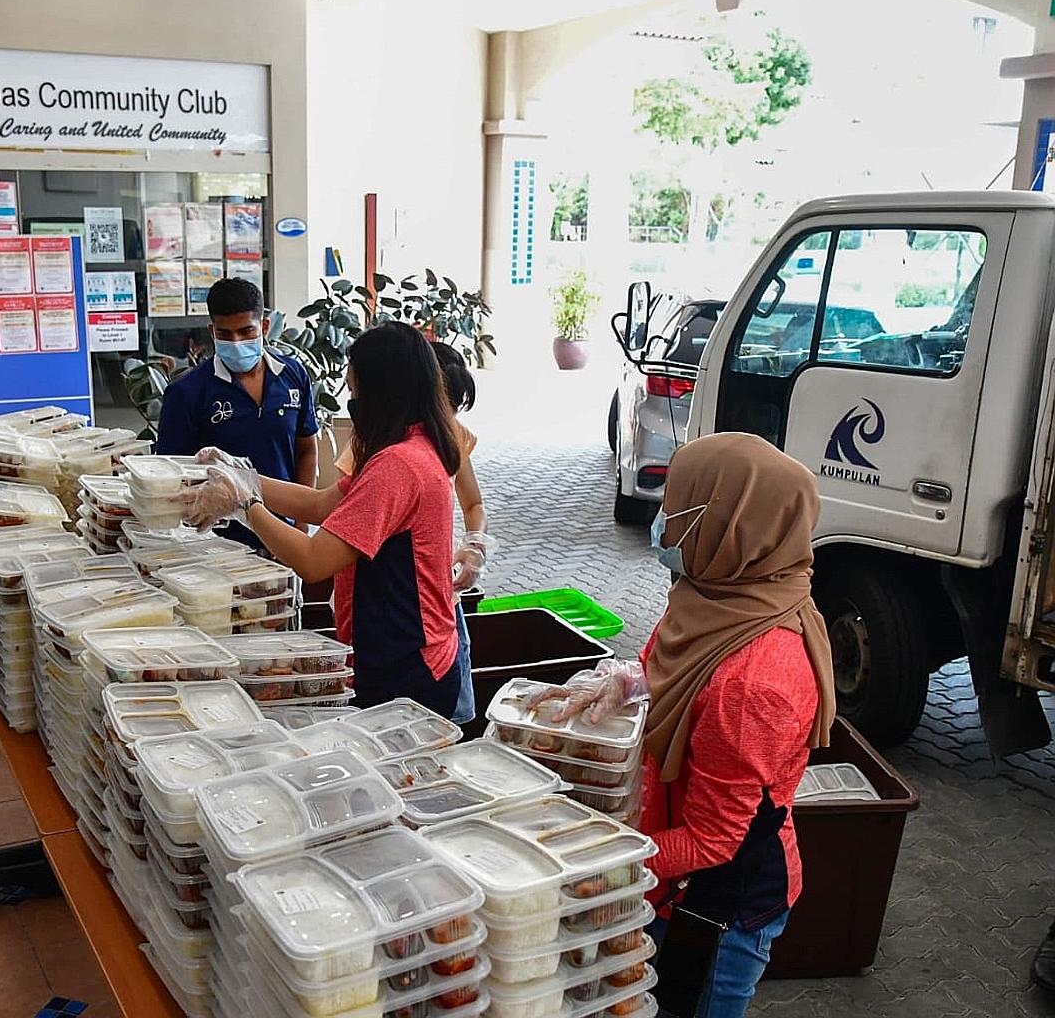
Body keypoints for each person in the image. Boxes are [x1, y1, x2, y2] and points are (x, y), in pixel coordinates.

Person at [530, 432, 836, 1018]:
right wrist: (624, 683)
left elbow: (714, 840)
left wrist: (584, 860)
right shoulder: (716, 593)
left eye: (679, 507)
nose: (663, 519)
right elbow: (665, 669)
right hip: (671, 866)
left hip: (721, 902)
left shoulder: (755, 683)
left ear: (731, 522)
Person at [187, 321, 465, 717]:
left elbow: (313, 561)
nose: (352, 405)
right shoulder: (412, 444)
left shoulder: (399, 465)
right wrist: (241, 474)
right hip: (410, 649)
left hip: (408, 664)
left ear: (382, 394)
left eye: (355, 393)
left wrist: (246, 503)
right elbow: (320, 504)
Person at [334, 340, 491, 724]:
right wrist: (250, 492)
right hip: (387, 605)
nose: (446, 420)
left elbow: (474, 504)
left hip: (424, 614)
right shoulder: (382, 453)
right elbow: (333, 509)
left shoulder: (431, 444)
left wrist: (475, 544)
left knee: (446, 704)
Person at [154, 277, 318, 546]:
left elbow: (306, 451)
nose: (236, 342)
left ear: (264, 326)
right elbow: (173, 477)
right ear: (211, 331)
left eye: (246, 331)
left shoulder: (293, 375)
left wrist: (300, 527)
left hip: (285, 534)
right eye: (225, 334)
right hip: (216, 543)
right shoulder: (186, 393)